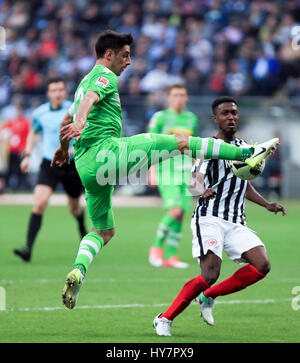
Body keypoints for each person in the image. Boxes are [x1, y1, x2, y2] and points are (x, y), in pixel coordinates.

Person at [51, 30, 279, 310]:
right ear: (108, 55)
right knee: (182, 142)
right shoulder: (104, 76)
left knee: (103, 231)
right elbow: (88, 103)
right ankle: (247, 151)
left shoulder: (80, 84)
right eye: (125, 55)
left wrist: (64, 149)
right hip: (106, 153)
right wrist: (83, 120)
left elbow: (67, 118)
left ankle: (79, 270)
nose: (129, 61)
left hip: (86, 166)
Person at [153, 96, 286, 337]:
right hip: (208, 218)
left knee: (262, 265)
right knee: (210, 274)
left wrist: (266, 204)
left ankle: (209, 296)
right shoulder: (207, 146)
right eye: (225, 113)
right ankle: (164, 318)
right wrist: (202, 191)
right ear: (215, 119)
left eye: (234, 113)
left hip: (236, 221)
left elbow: (244, 184)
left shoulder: (245, 147)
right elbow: (193, 182)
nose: (231, 117)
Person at [13, 77, 87, 262]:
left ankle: (84, 234)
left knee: (74, 208)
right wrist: (28, 156)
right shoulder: (40, 113)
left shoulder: (74, 109)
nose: (58, 93)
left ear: (65, 92)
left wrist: (73, 148)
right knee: (39, 203)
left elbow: (85, 131)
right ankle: (28, 249)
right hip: (50, 164)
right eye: (54, 90)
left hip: (71, 165)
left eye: (61, 90)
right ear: (48, 93)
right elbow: (34, 132)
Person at [148, 84, 198, 268]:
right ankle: (155, 247)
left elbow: (195, 147)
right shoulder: (160, 118)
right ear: (168, 98)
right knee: (174, 211)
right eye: (176, 95)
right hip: (166, 170)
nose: (180, 98)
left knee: (181, 214)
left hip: (186, 172)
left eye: (183, 95)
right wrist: (150, 169)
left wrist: (197, 175)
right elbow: (150, 144)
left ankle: (171, 256)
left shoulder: (191, 118)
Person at [0, 102, 30, 191]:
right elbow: (3, 130)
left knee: (20, 169)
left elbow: (27, 136)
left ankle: (21, 186)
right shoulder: (11, 122)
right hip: (10, 150)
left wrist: (24, 148)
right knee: (9, 169)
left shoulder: (25, 122)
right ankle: (7, 186)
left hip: (20, 150)